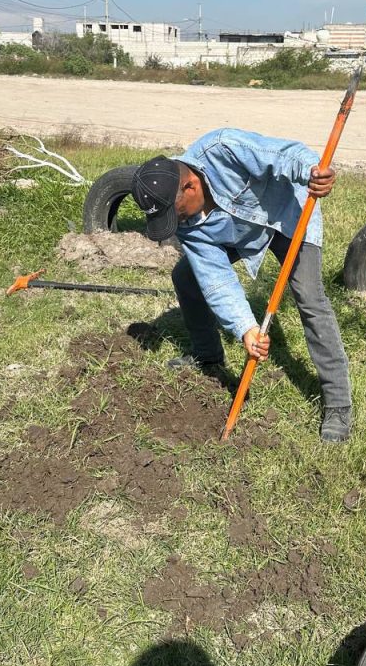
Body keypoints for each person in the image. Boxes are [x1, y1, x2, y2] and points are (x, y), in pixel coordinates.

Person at [130, 128, 353, 443]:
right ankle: (208, 355)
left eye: (175, 213)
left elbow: (284, 153)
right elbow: (215, 277)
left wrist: (313, 173)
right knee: (186, 277)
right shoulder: (185, 221)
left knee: (310, 298)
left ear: (190, 186)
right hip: (240, 232)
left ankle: (338, 405)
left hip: (288, 216)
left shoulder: (224, 148)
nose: (176, 223)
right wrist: (246, 328)